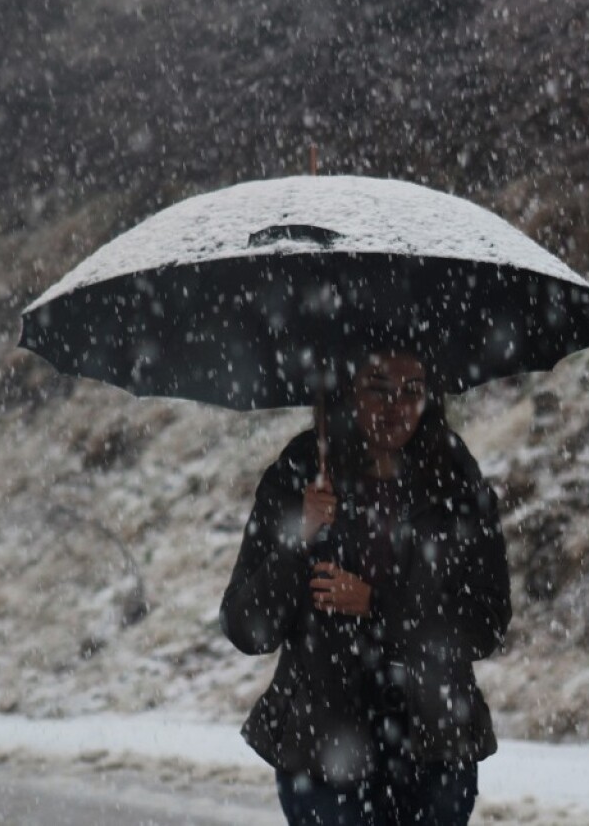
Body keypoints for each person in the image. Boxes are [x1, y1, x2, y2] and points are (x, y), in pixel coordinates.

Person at [220, 347, 512, 826]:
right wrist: (302, 535)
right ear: (346, 392)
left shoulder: (455, 478)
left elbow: (486, 624)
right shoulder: (301, 470)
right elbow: (247, 628)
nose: (396, 406)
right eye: (377, 389)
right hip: (323, 754)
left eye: (412, 391)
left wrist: (377, 604)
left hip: (434, 747)